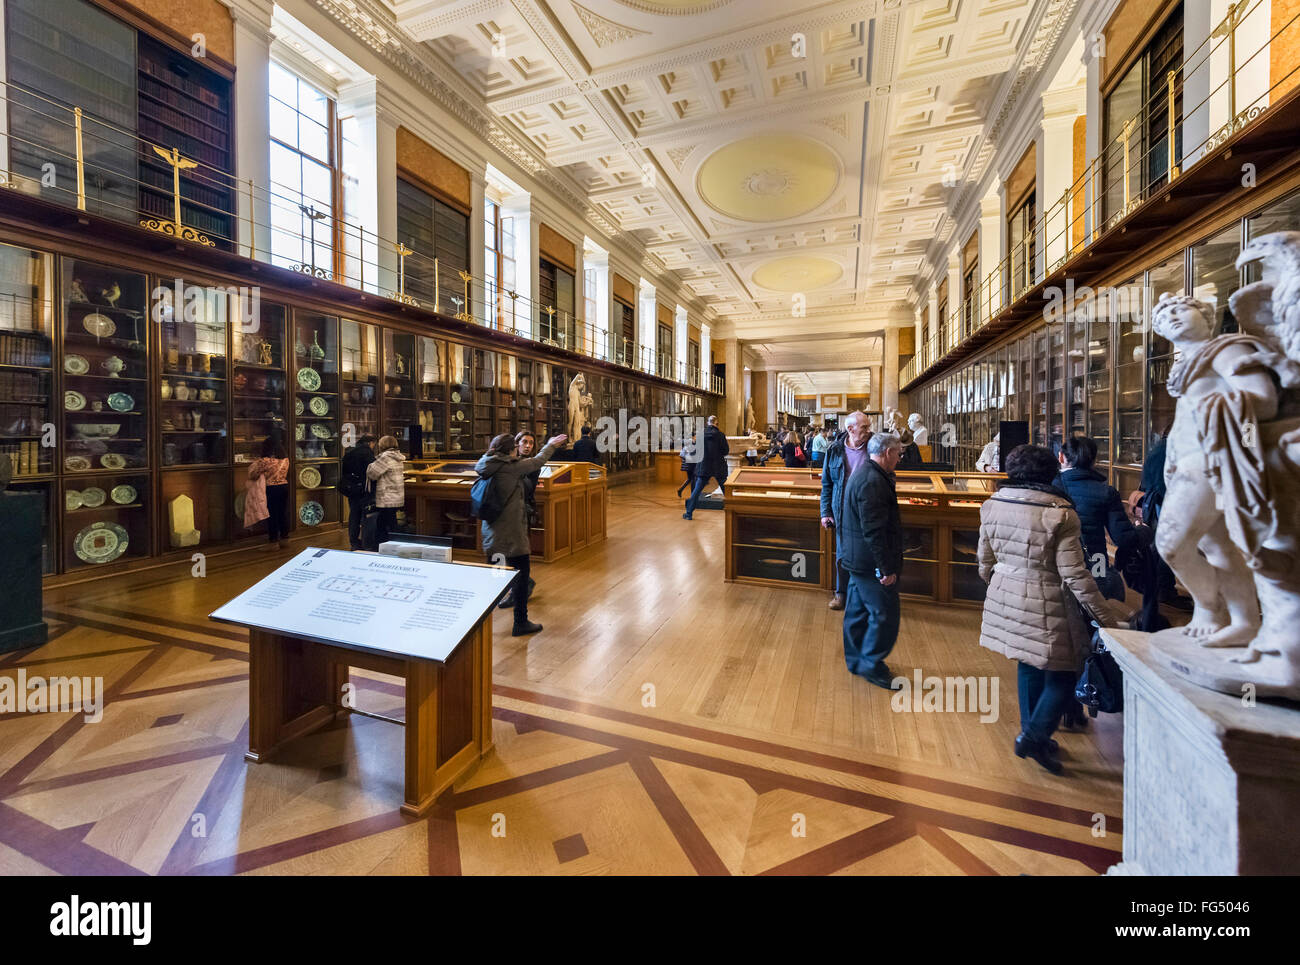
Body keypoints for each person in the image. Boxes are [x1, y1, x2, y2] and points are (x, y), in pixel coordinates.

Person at [976, 444, 1127, 775]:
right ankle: (1033, 736)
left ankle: (1037, 735)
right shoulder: (1060, 513)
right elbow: (1075, 574)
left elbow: (984, 563)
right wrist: (1105, 618)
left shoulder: (992, 505)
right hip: (1048, 601)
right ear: (1050, 472)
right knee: (1062, 672)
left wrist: (1003, 586)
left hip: (1007, 596)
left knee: (1028, 664)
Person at [476, 431, 566, 635]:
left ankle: (482, 626)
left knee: (495, 576)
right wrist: (551, 444)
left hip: (491, 532)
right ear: (512, 448)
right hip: (513, 534)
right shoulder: (511, 468)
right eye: (518, 446)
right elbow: (538, 461)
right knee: (521, 575)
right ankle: (520, 622)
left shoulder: (485, 463)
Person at [838, 433, 905, 689]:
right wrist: (885, 567)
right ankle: (871, 665)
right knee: (884, 613)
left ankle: (856, 659)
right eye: (898, 454)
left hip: (858, 559)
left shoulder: (867, 473)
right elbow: (874, 530)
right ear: (887, 452)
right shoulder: (872, 481)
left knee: (856, 612)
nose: (899, 459)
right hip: (869, 563)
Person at [1056, 436, 1138, 602]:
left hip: (1058, 562)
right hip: (1095, 562)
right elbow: (1123, 538)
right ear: (1094, 461)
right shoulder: (1106, 491)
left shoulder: (1049, 486)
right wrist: (1144, 531)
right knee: (1096, 605)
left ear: (1061, 457)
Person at [820, 410, 870, 610]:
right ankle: (841, 593)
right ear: (850, 429)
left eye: (868, 426)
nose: (868, 430)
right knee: (843, 554)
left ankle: (866, 597)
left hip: (868, 509)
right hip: (842, 509)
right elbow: (827, 484)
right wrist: (825, 512)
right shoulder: (834, 450)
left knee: (869, 553)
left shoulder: (875, 446)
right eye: (864, 427)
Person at [497, 430, 541, 611]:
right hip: (508, 514)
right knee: (510, 554)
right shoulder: (513, 464)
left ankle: (517, 592)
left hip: (521, 513)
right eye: (524, 442)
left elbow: (525, 488)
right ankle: (522, 585)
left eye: (531, 443)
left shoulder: (529, 465)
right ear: (516, 444)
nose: (528, 446)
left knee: (517, 554)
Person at [247, 436, 290, 550]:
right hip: (284, 487)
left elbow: (253, 474)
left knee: (271, 515)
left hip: (271, 489)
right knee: (282, 513)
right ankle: (285, 539)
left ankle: (273, 542)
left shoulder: (265, 461)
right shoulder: (286, 460)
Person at [683, 415, 729, 519]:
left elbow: (696, 451)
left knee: (697, 491)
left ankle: (689, 513)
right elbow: (726, 451)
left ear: (707, 423)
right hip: (718, 466)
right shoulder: (721, 435)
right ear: (716, 423)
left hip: (704, 466)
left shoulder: (700, 435)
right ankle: (736, 511)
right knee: (727, 490)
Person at [365, 435, 406, 546]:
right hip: (396, 496)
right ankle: (394, 545)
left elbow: (372, 473)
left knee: (382, 524)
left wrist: (370, 465)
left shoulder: (386, 458)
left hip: (386, 497)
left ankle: (381, 547)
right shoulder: (398, 457)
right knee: (391, 521)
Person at [340, 434, 376, 550]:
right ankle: (366, 543)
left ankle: (354, 542)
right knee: (366, 516)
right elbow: (372, 471)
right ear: (370, 443)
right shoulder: (367, 453)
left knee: (353, 516)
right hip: (363, 489)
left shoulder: (350, 451)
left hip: (351, 489)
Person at [677, 430, 697, 497]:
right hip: (691, 464)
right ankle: (693, 495)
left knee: (690, 479)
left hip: (691, 463)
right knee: (693, 479)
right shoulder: (690, 443)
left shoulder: (691, 443)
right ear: (693, 436)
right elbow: (685, 454)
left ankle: (680, 490)